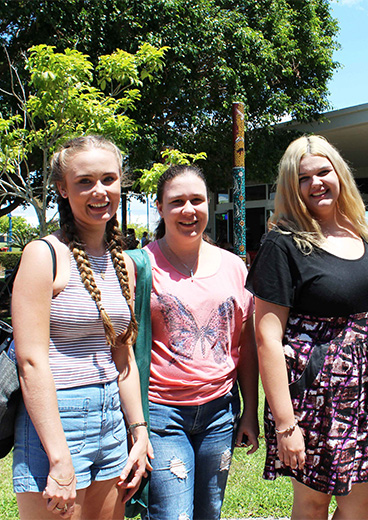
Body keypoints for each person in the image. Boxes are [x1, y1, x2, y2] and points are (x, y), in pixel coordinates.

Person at [246, 135, 368, 520]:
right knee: (314, 503)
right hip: (317, 398)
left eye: (323, 171)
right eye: (303, 178)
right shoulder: (282, 243)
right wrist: (285, 424)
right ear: (291, 187)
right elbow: (267, 337)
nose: (316, 183)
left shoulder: (366, 233)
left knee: (364, 499)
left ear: (339, 174)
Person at [11, 135, 151, 520]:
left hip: (111, 420)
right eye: (85, 181)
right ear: (62, 188)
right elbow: (31, 362)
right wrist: (59, 458)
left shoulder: (125, 263)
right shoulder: (44, 255)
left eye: (109, 179)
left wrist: (138, 430)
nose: (99, 191)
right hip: (57, 420)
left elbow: (123, 357)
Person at [132, 164, 259, 520]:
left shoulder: (235, 267)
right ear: (159, 207)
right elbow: (126, 348)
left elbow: (245, 345)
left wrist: (250, 410)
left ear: (210, 205)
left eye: (197, 200)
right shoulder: (140, 265)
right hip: (161, 413)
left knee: (210, 512)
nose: (188, 210)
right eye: (177, 202)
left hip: (220, 412)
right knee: (171, 514)